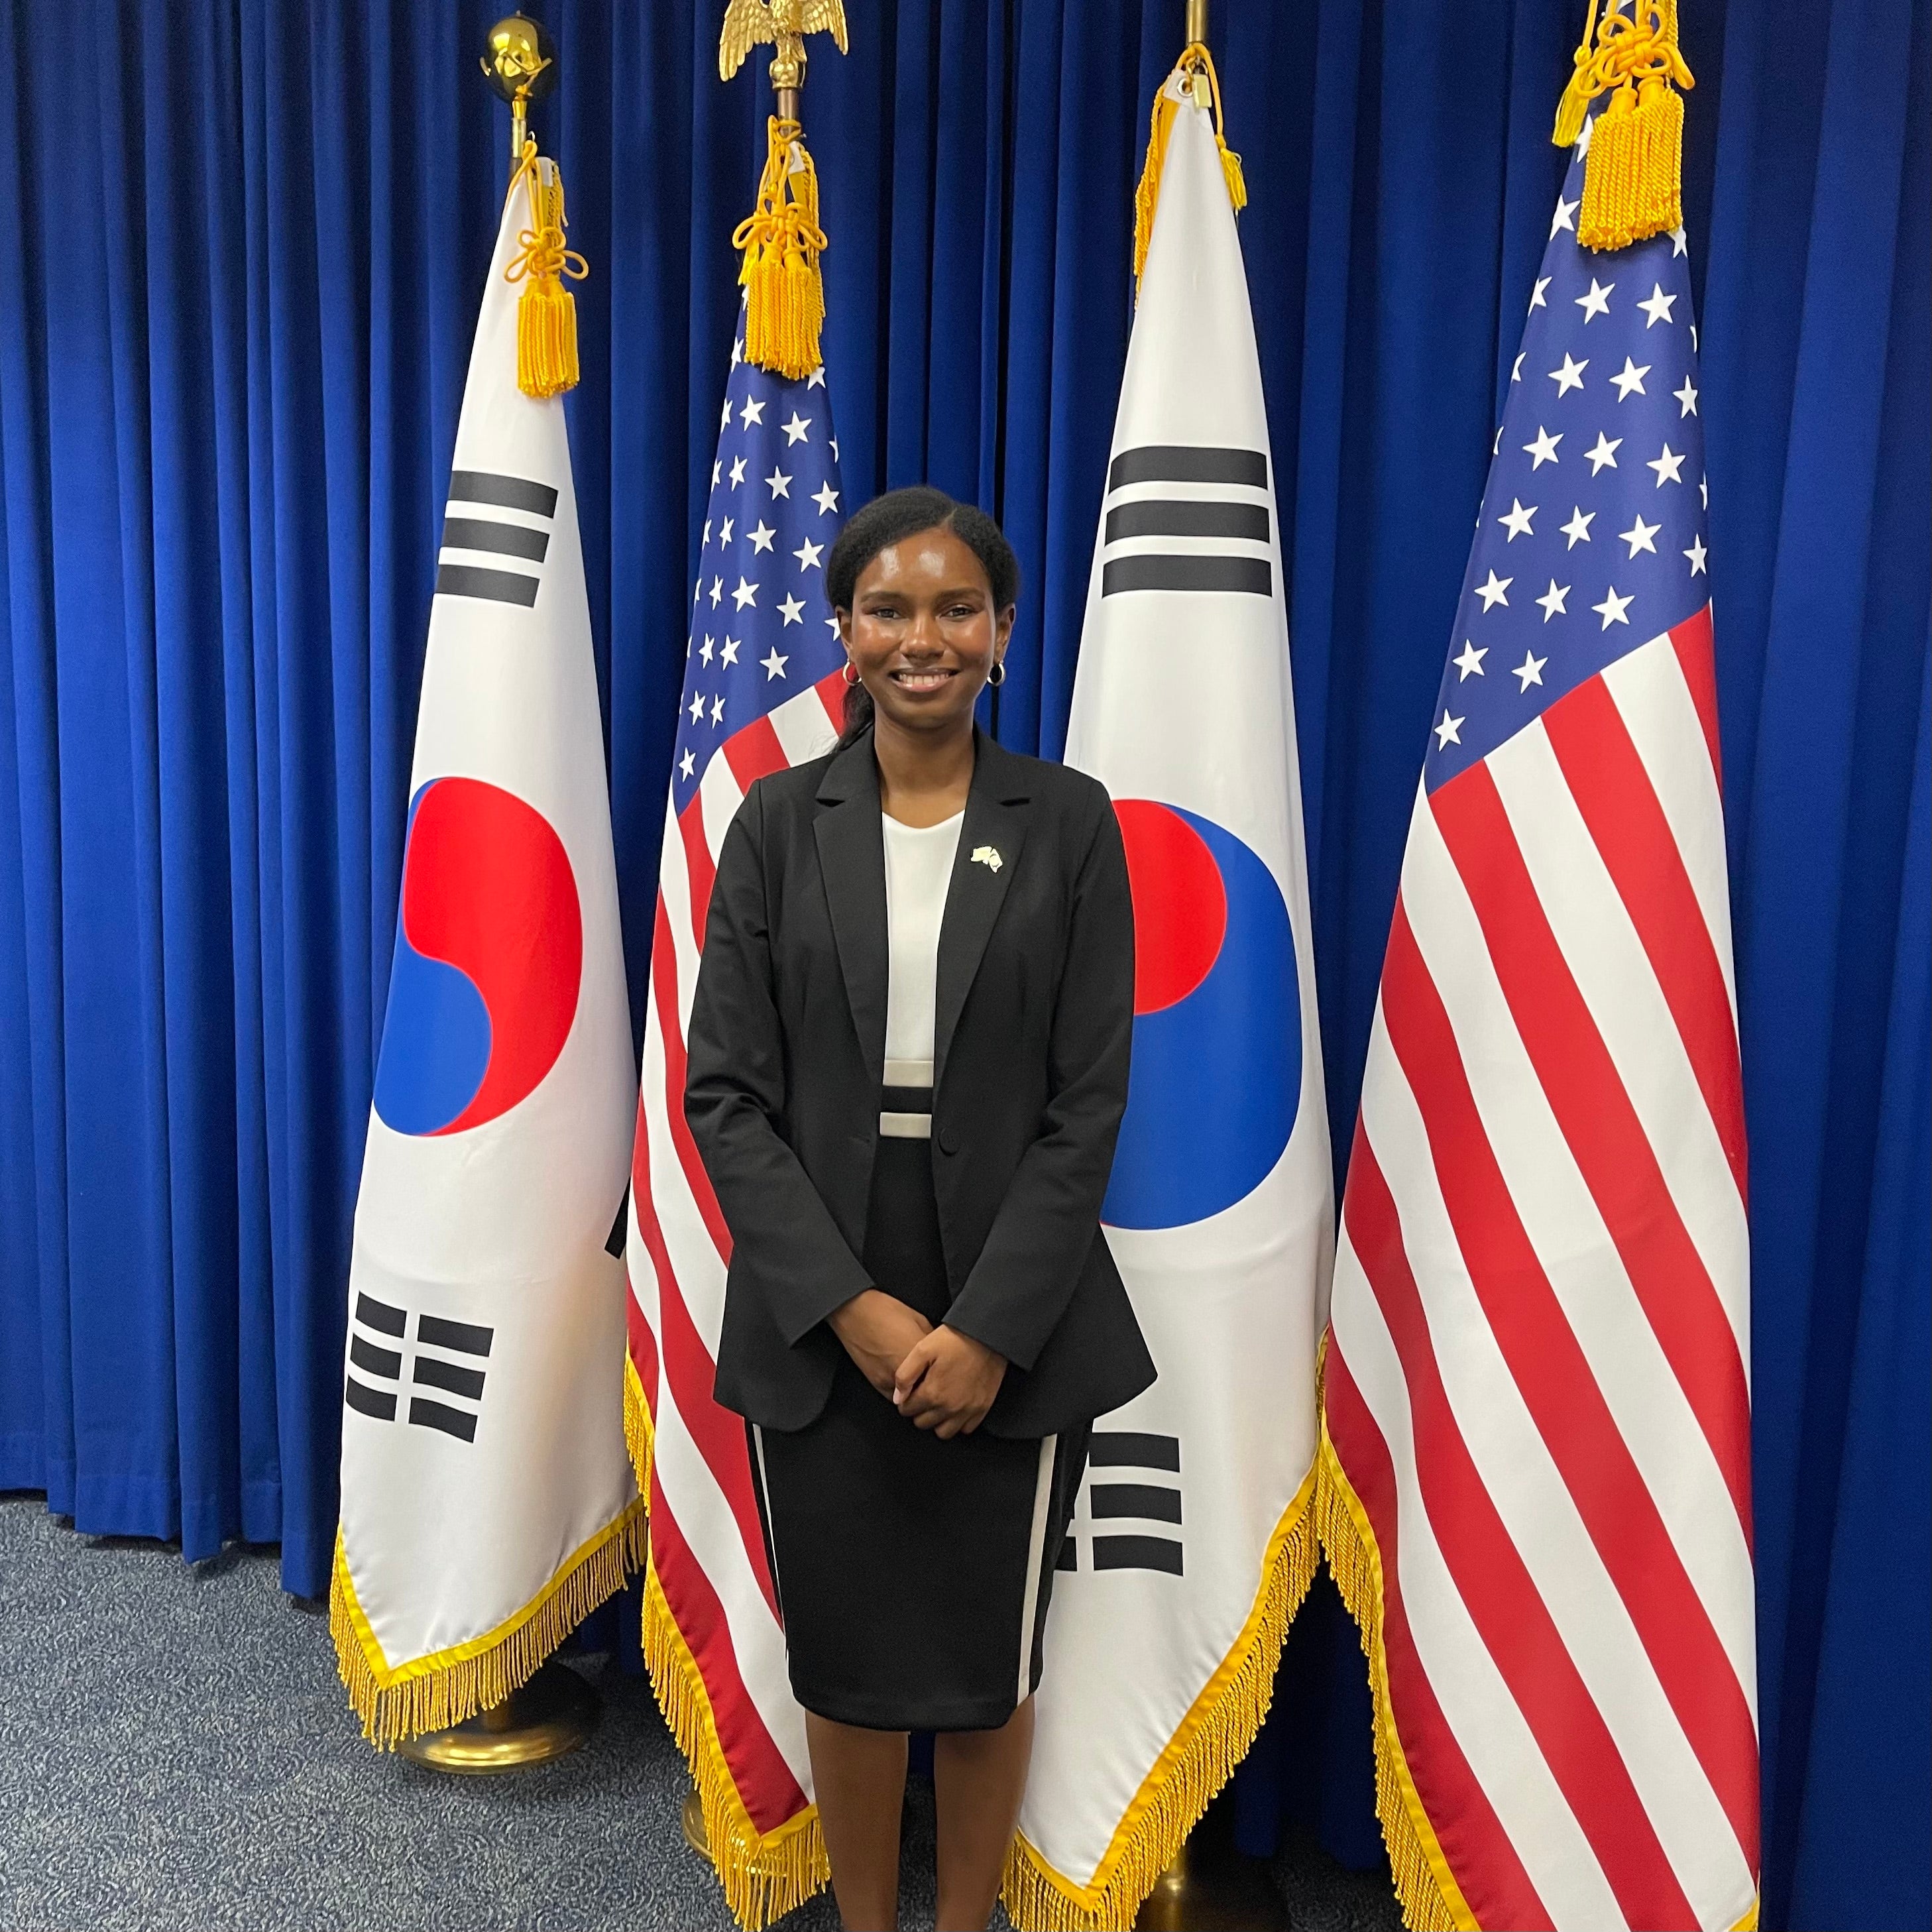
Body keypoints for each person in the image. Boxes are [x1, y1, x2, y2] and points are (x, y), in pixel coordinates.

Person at [685, 486, 1157, 1931]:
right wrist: (862, 1313)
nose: (922, 638)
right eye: (889, 609)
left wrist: (988, 1327)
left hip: (1011, 1292)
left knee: (984, 1656)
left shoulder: (1070, 824)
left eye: (957, 608)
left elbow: (1089, 1107)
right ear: (845, 630)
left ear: (1005, 635)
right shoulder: (774, 823)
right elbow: (726, 1099)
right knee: (848, 1657)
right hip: (823, 1291)